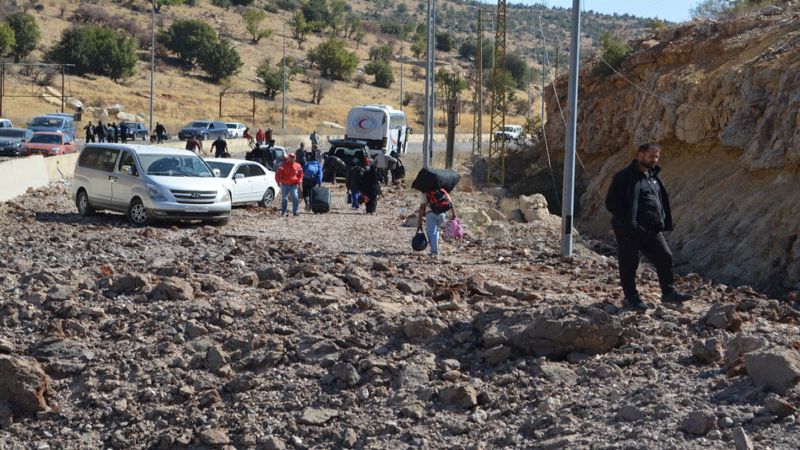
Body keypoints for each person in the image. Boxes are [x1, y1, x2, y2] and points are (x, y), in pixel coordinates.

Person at [605, 143, 693, 310]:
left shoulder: (653, 177)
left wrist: (661, 220)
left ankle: (668, 292)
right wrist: (629, 222)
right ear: (639, 155)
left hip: (652, 230)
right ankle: (632, 297)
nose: (654, 160)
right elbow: (611, 203)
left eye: (657, 156)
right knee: (629, 263)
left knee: (665, 256)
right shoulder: (624, 176)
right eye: (651, 156)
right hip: (629, 230)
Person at [416, 188, 457, 258]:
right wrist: (454, 214)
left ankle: (434, 252)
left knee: (431, 233)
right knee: (436, 230)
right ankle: (435, 249)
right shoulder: (442, 189)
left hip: (430, 214)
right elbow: (450, 202)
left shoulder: (425, 191)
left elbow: (422, 206)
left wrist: (420, 221)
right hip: (442, 214)